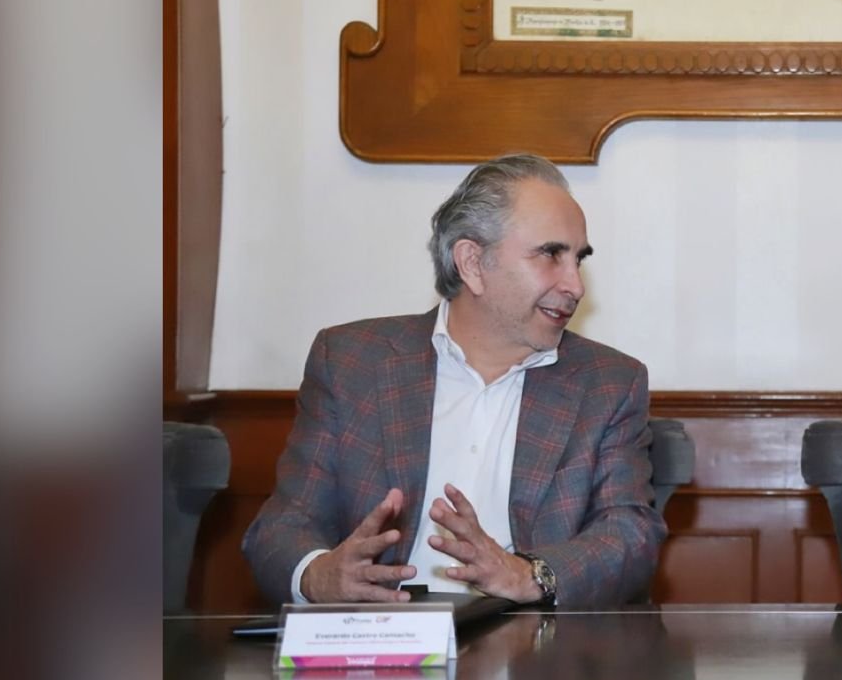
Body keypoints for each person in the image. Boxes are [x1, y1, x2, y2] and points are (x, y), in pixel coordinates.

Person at [243, 154, 665, 607]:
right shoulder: (353, 363)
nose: (575, 286)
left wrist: (530, 575)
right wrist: (318, 575)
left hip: (529, 635)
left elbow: (630, 534)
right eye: (550, 255)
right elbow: (284, 525)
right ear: (472, 263)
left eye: (578, 259)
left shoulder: (607, 383)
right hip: (383, 632)